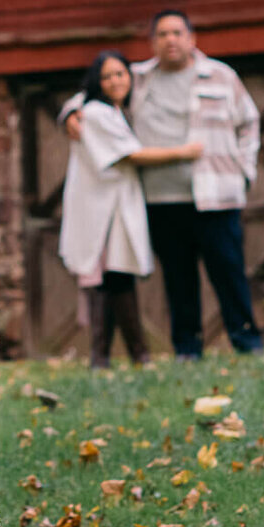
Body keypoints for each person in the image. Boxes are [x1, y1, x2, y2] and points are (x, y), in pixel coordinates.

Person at [64, 10, 263, 358]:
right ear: (153, 42)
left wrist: (245, 170)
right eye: (163, 34)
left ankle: (247, 343)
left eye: (177, 33)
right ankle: (188, 350)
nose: (171, 40)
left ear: (191, 38)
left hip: (216, 196)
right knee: (179, 280)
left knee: (229, 275)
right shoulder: (138, 78)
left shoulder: (220, 76)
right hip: (162, 199)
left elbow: (250, 124)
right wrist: (68, 113)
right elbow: (90, 94)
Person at [58, 50, 203, 368]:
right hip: (101, 207)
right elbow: (129, 155)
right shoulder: (95, 112)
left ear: (130, 77)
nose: (114, 81)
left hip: (118, 204)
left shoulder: (115, 111)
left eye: (120, 74)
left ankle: (117, 357)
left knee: (116, 278)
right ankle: (120, 356)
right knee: (108, 279)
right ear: (97, 81)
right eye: (106, 76)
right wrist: (182, 152)